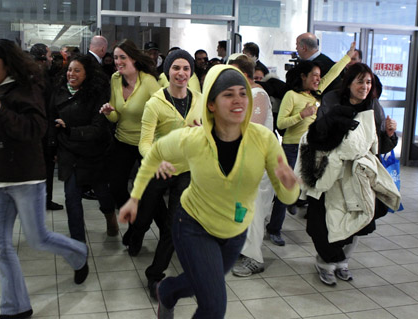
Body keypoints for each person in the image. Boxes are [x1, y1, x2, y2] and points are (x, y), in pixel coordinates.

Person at [119, 65, 299, 319]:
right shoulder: (194, 138)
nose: (238, 101)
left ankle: (167, 290)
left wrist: (290, 187)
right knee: (213, 306)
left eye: (242, 93)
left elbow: (288, 198)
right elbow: (155, 152)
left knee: (196, 283)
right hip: (193, 226)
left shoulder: (264, 139)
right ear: (211, 104)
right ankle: (168, 290)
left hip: (235, 230)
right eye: (228, 94)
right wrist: (135, 198)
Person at [0, 39, 89, 319]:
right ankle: (16, 308)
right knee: (0, 246)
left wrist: (0, 110)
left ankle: (78, 253)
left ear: (6, 63)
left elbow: (34, 129)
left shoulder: (26, 89)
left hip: (26, 178)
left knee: (38, 238)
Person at [296, 62, 400, 286]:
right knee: (324, 222)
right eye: (360, 81)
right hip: (330, 174)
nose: (365, 86)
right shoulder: (332, 101)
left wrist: (390, 135)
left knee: (357, 219)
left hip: (358, 176)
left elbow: (376, 145)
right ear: (349, 82)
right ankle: (326, 262)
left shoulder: (373, 106)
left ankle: (342, 262)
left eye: (369, 82)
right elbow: (318, 136)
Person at [266, 42, 356, 246]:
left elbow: (332, 74)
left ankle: (300, 206)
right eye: (313, 75)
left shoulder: (315, 94)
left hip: (310, 148)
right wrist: (302, 115)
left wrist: (347, 57)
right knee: (285, 189)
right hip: (291, 147)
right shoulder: (292, 95)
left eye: (318, 75)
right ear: (303, 77)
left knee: (311, 187)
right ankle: (274, 228)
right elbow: (280, 123)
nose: (318, 78)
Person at [133, 49, 202, 298]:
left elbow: (208, 134)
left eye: (186, 68)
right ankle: (134, 236)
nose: (181, 73)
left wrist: (202, 130)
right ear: (168, 71)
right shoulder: (155, 103)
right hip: (158, 170)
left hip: (185, 171)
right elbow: (144, 142)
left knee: (174, 224)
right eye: (176, 68)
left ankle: (155, 275)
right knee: (143, 217)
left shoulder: (200, 100)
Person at [99, 39, 161, 245]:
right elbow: (117, 116)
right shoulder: (116, 79)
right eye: (115, 57)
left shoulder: (149, 81)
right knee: (116, 187)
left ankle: (145, 228)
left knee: (149, 192)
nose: (117, 61)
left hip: (146, 144)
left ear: (134, 59)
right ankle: (135, 224)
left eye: (122, 57)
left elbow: (163, 112)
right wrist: (109, 113)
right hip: (122, 140)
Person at [49, 54, 117, 240]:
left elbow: (97, 128)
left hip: (93, 152)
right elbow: (51, 121)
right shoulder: (59, 91)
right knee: (71, 198)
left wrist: (70, 129)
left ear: (87, 74)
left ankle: (111, 218)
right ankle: (78, 241)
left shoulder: (96, 94)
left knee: (102, 193)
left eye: (77, 70)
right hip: (68, 153)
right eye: (69, 70)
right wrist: (53, 147)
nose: (71, 74)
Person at [227, 56, 274, 276]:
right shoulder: (242, 95)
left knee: (254, 211)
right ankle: (242, 250)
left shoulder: (259, 95)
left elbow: (251, 129)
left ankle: (254, 257)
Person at [29, 43, 64, 211]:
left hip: (35, 132)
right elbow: (48, 109)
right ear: (42, 58)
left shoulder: (29, 76)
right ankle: (44, 201)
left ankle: (41, 201)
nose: (51, 60)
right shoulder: (41, 80)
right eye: (49, 56)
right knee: (46, 169)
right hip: (43, 133)